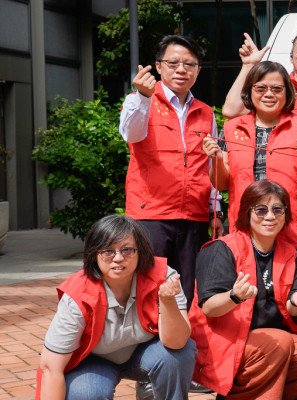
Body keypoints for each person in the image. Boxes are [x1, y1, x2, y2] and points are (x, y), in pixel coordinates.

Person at [202, 60, 297, 334]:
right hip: (247, 236)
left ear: (287, 92)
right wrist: (214, 158)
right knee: (252, 309)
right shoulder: (232, 128)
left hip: (296, 234)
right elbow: (223, 182)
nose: (268, 94)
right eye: (261, 88)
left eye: (277, 88)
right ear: (250, 91)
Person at [190, 180, 297, 399]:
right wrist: (234, 296)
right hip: (224, 342)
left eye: (277, 209)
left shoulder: (289, 253)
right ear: (247, 212)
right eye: (261, 210)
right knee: (279, 343)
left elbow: (293, 308)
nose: (270, 216)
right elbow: (209, 308)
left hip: (268, 343)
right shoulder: (222, 248)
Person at [37, 215, 195, 400]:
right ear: (94, 255)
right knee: (85, 394)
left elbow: (177, 342)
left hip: (143, 352)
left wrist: (167, 302)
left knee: (179, 355)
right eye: (108, 251)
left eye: (127, 250)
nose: (118, 258)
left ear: (140, 251)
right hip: (93, 361)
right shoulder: (78, 296)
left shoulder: (164, 277)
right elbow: (51, 368)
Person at [118, 34, 222, 308]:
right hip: (150, 214)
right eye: (173, 63)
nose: (181, 70)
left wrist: (215, 210)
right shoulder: (139, 101)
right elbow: (131, 133)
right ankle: (148, 336)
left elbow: (210, 164)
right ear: (158, 66)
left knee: (189, 289)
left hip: (194, 216)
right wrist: (143, 96)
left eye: (189, 64)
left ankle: (183, 335)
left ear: (198, 70)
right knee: (148, 287)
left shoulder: (206, 112)